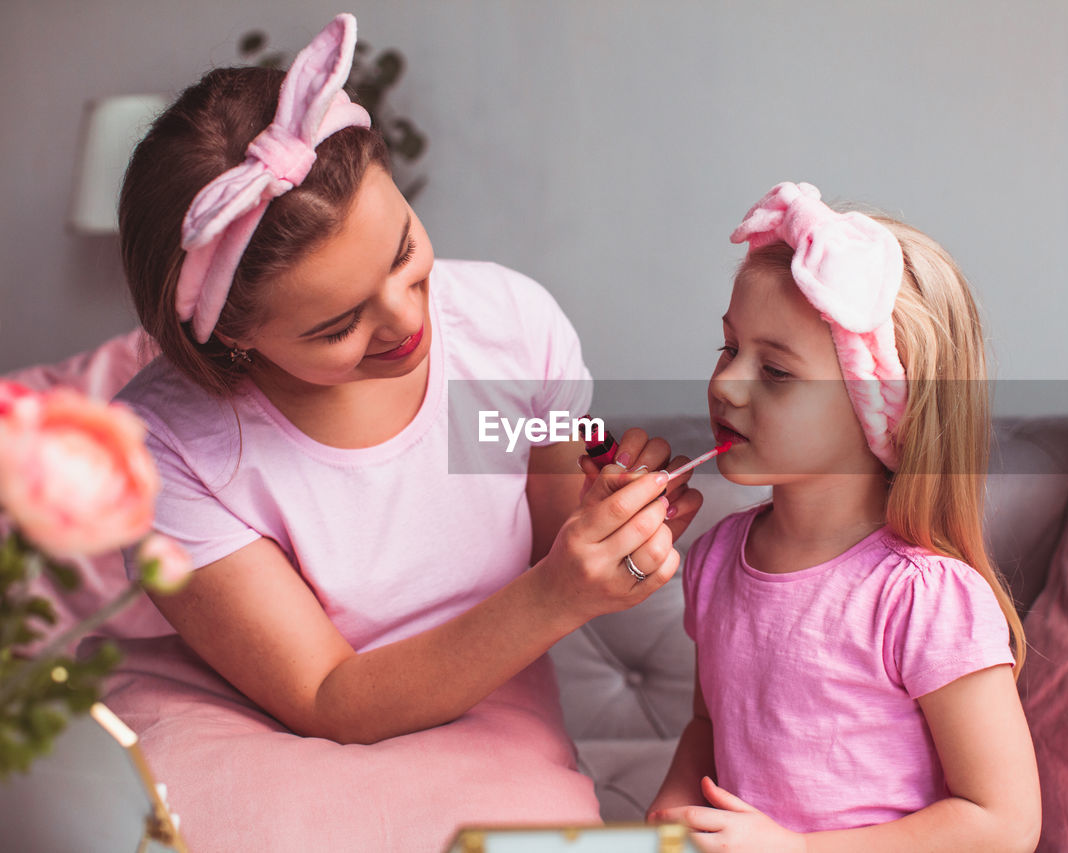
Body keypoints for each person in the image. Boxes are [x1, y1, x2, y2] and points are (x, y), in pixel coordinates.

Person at [107, 14, 701, 850]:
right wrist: (560, 592)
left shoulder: (508, 325)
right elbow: (328, 697)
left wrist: (611, 511)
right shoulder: (163, 447)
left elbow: (552, 525)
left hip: (487, 704)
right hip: (257, 717)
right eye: (337, 325)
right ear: (233, 337)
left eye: (403, 253)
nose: (407, 320)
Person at [647, 182, 1041, 852]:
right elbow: (711, 727)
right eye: (728, 347)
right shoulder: (714, 560)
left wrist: (798, 850)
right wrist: (672, 808)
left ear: (882, 409)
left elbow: (1003, 822)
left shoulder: (923, 597)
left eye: (775, 371)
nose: (725, 383)